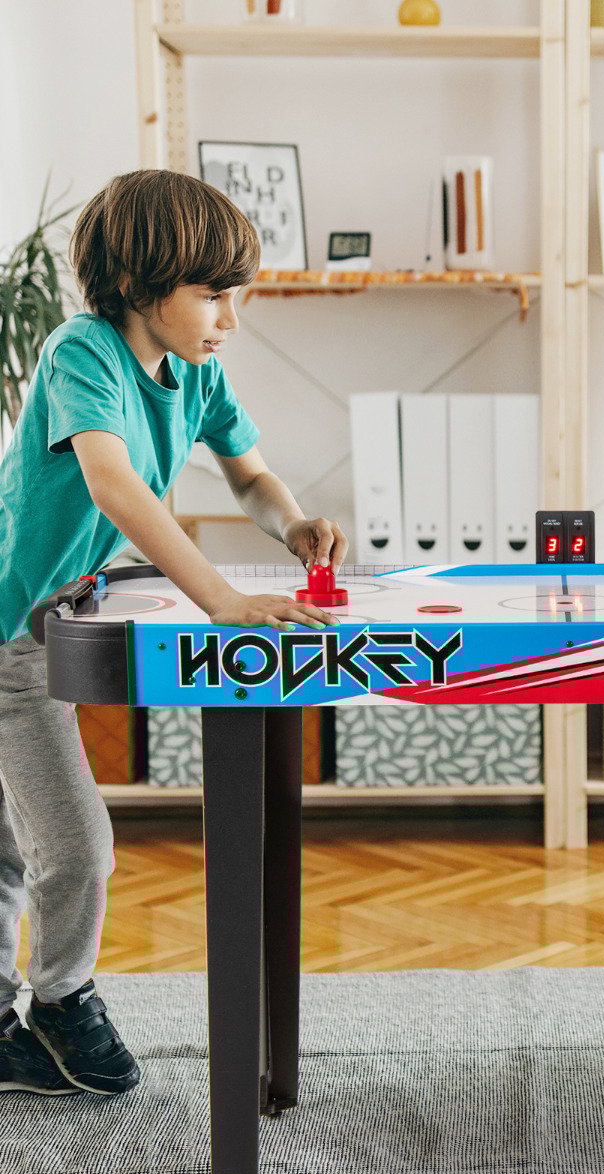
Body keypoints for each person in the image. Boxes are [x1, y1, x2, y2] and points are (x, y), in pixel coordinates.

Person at [0, 169, 345, 1098]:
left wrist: (293, 522)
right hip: (6, 640)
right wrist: (220, 600)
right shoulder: (83, 352)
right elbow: (116, 485)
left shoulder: (199, 372)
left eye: (236, 294)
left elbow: (249, 477)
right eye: (211, 293)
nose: (230, 315)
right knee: (76, 845)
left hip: (48, 620)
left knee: (9, 839)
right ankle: (62, 1001)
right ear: (142, 281)